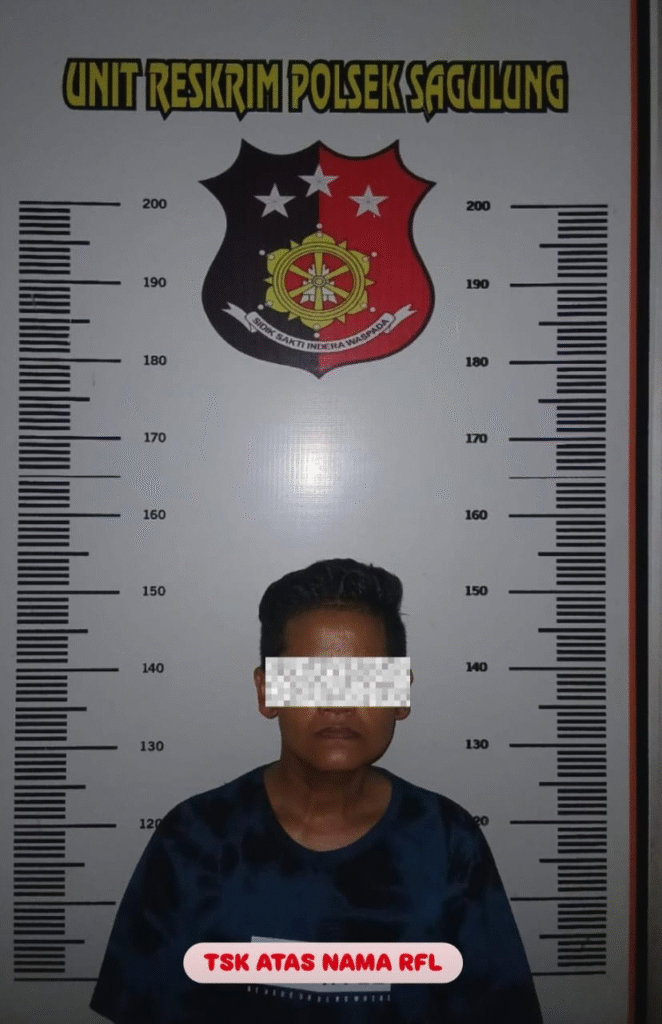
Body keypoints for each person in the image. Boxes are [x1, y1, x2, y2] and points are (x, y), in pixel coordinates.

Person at [90, 558, 544, 1023]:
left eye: (366, 679)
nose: (338, 702)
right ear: (267, 692)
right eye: (311, 679)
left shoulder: (449, 843)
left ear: (401, 694)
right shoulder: (193, 841)